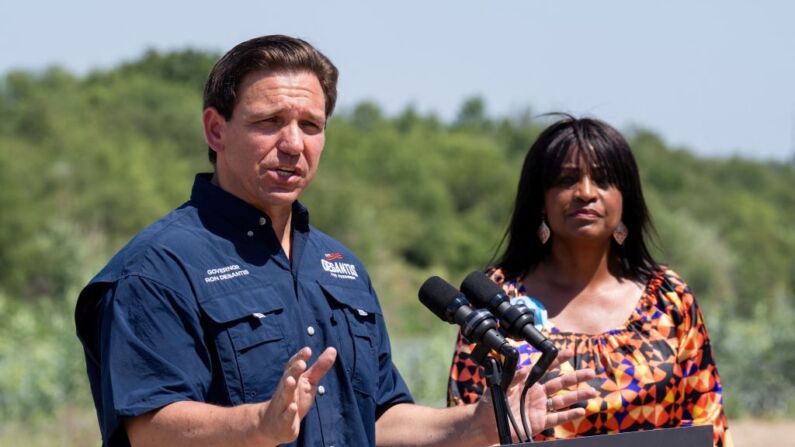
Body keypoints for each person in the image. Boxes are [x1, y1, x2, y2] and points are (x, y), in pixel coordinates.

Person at [75, 35, 597, 447]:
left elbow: (378, 418)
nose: (293, 145)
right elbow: (150, 429)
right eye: (269, 122)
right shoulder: (157, 267)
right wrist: (258, 425)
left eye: (310, 124)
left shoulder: (337, 264)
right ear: (216, 130)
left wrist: (479, 423)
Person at [447, 115, 733, 446]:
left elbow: (706, 418)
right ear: (541, 199)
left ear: (625, 199)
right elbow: (466, 421)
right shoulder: (497, 298)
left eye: (603, 180)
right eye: (567, 180)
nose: (585, 192)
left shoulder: (668, 298)